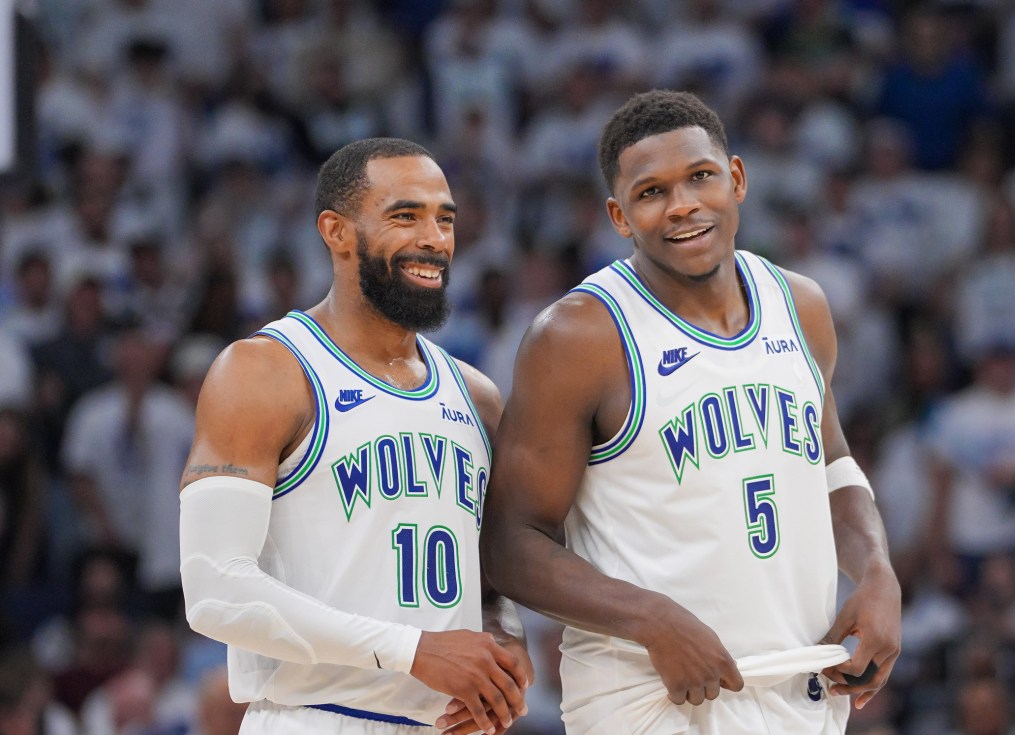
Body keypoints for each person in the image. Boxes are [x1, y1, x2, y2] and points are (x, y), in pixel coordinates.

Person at [479, 90, 901, 734]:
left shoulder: (801, 305)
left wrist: (875, 570)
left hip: (797, 680)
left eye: (700, 177)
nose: (682, 205)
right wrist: (649, 617)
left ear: (735, 179)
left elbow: (833, 464)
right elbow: (509, 541)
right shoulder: (578, 337)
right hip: (650, 693)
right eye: (651, 192)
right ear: (620, 216)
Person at [178, 137, 532, 735]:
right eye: (405, 216)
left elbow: (492, 579)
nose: (434, 238)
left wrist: (503, 645)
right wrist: (412, 650)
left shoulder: (476, 396)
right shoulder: (264, 371)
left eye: (445, 219)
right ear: (335, 231)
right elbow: (216, 590)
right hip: (316, 717)